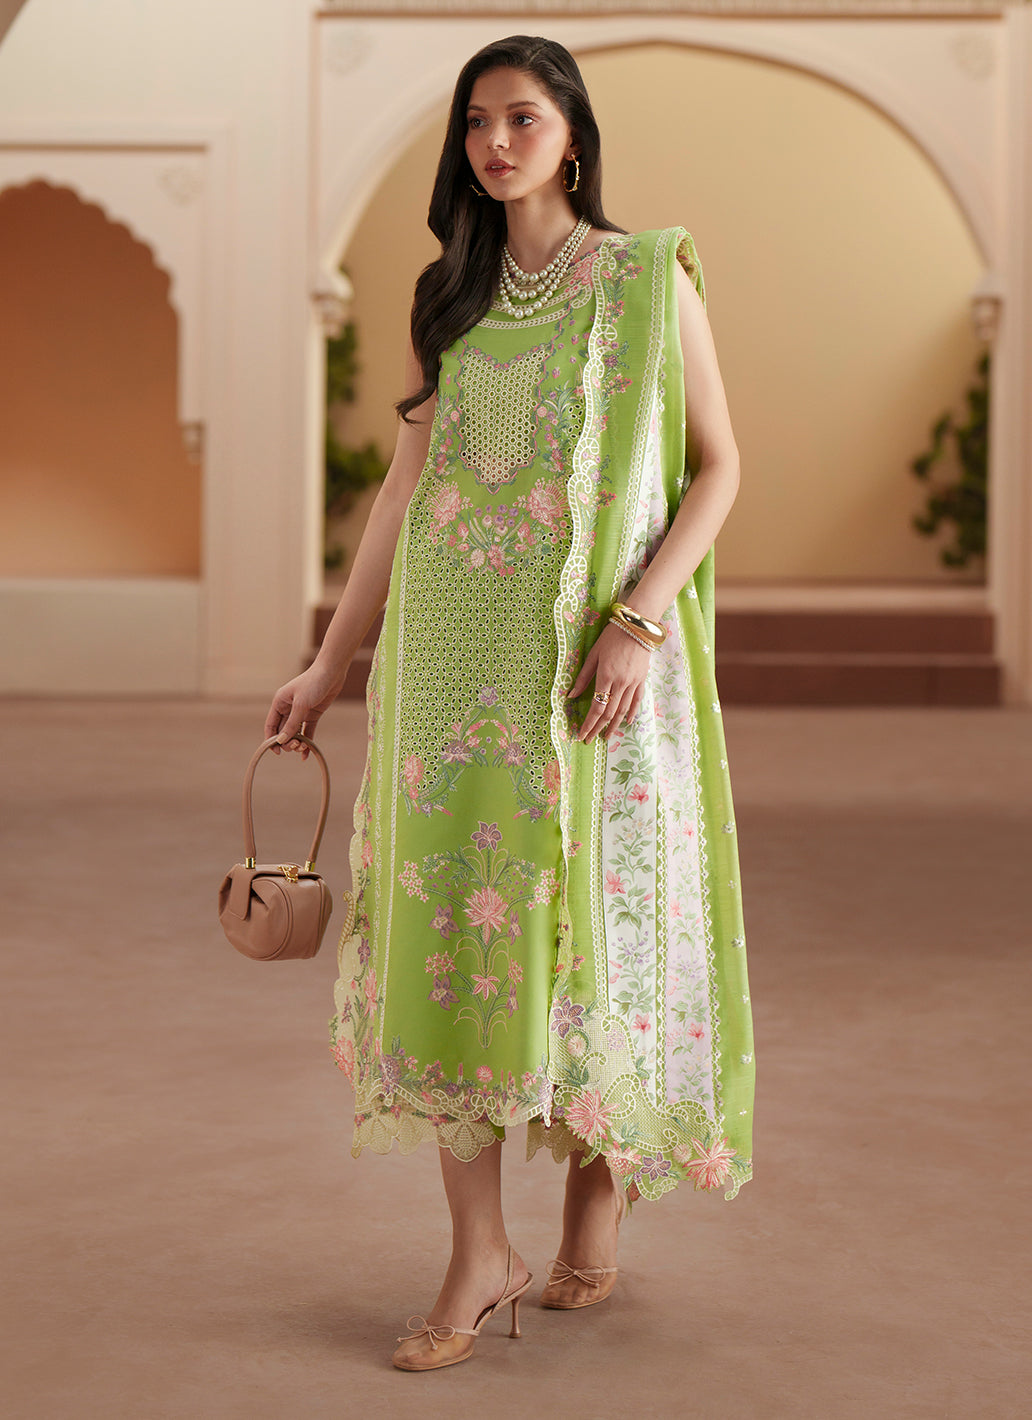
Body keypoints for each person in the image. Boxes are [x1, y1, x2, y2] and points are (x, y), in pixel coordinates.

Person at [265, 34, 754, 1372]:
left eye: (522, 118)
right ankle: (480, 1248)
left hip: (594, 663)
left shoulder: (646, 277)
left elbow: (718, 469)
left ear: (571, 133)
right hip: (450, 671)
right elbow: (405, 491)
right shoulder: (449, 294)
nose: (495, 142)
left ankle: (599, 1184)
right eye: (476, 121)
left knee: (592, 917)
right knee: (459, 936)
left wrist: (637, 621)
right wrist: (331, 661)